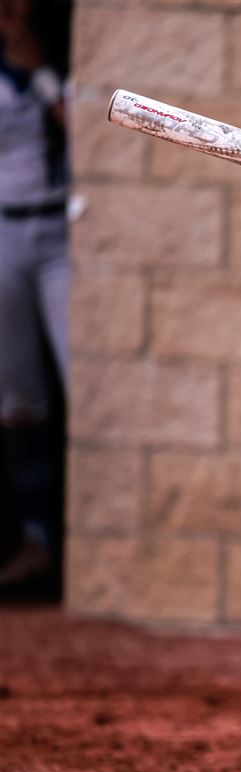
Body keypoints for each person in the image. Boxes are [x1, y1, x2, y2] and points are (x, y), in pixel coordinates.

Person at [0, 0, 73, 597]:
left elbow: (80, 130)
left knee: (81, 379)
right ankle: (35, 542)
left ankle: (83, 545)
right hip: (4, 231)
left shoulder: (58, 71)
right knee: (18, 396)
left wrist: (41, 68)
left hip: (61, 232)